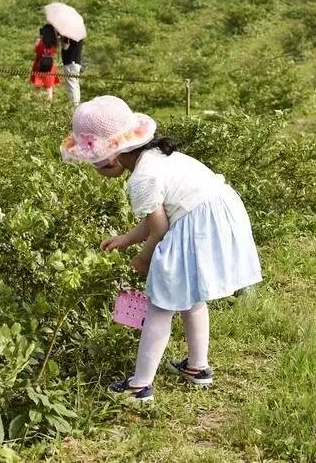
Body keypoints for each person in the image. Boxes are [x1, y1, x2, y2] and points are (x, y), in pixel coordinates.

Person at [61, 96, 262, 402]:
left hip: (196, 223)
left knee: (160, 304)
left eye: (94, 163)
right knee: (191, 297)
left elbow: (160, 229)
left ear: (111, 158)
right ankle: (197, 367)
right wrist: (126, 239)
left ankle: (140, 385)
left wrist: (142, 259)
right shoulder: (156, 157)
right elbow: (160, 216)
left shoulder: (141, 178)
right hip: (215, 213)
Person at [30, 24, 60, 101]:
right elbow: (55, 52)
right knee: (49, 89)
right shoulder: (55, 43)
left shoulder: (39, 41)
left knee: (37, 87)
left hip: (39, 64)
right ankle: (48, 108)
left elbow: (35, 51)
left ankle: (37, 104)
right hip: (50, 66)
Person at [60, 34, 83, 108]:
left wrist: (62, 39)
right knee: (76, 85)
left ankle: (74, 107)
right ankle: (77, 105)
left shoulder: (68, 34)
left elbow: (65, 47)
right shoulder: (79, 34)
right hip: (77, 62)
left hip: (70, 62)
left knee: (71, 85)